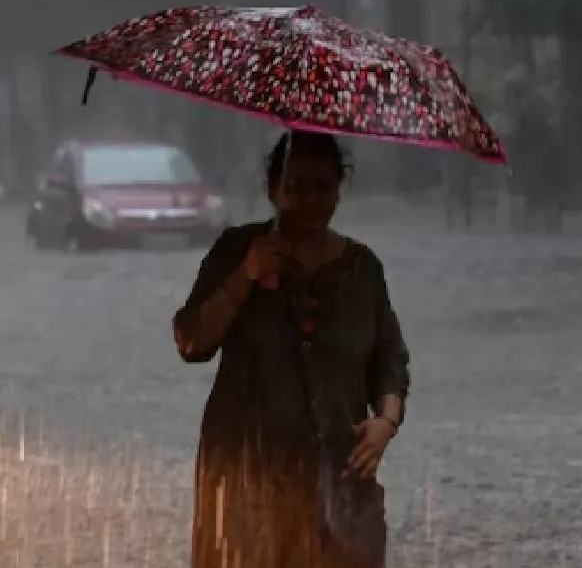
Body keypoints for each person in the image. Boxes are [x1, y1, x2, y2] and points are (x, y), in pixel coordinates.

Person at [172, 131, 411, 568]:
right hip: (247, 472)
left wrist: (385, 424)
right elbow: (192, 342)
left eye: (322, 186)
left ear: (339, 192)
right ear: (273, 189)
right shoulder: (236, 250)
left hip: (337, 472)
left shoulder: (362, 270)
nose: (309, 199)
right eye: (295, 186)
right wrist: (245, 276)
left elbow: (389, 358)